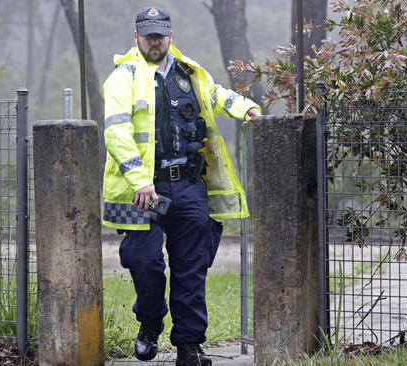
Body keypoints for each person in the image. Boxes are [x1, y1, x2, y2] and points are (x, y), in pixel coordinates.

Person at [102, 6, 261, 366]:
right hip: (143, 192)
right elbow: (116, 131)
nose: (155, 40)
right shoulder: (122, 77)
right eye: (148, 35)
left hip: (188, 186)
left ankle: (189, 347)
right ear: (136, 37)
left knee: (192, 267)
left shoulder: (189, 73)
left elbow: (217, 95)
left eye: (160, 34)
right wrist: (141, 181)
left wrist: (246, 107)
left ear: (170, 35)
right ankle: (149, 321)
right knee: (144, 263)